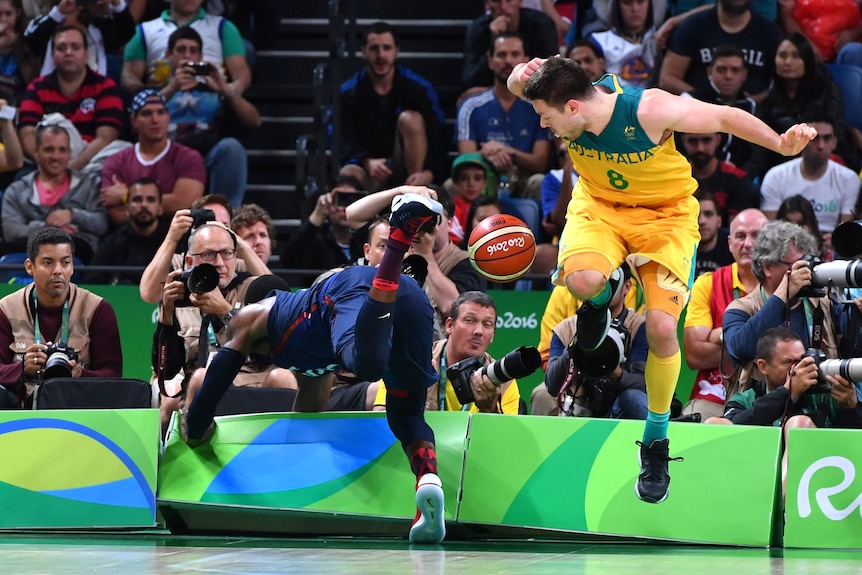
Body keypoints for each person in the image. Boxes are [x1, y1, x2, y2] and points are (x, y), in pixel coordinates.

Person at [508, 56, 816, 504]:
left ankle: (655, 442)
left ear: (573, 107)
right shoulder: (550, 94)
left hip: (664, 217)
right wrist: (523, 72)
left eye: (546, 117)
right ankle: (603, 296)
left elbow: (724, 116)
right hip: (599, 208)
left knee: (660, 328)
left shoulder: (649, 110)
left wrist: (780, 144)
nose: (543, 124)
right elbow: (521, 80)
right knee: (581, 282)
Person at [182, 190, 449, 544]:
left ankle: (399, 239)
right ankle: (428, 481)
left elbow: (215, 379)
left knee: (366, 365)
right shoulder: (314, 367)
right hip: (411, 296)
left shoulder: (251, 315)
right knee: (408, 415)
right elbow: (309, 412)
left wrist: (196, 428)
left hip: (354, 290)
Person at [151, 222, 296, 435]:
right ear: (190, 261)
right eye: (209, 255)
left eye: (226, 253)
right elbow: (168, 370)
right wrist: (166, 317)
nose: (219, 263)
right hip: (202, 384)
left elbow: (272, 348)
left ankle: (295, 450)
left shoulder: (255, 289)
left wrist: (225, 311)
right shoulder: (181, 293)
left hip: (253, 378)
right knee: (201, 377)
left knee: (284, 377)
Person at [712, 326, 862, 498]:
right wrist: (787, 392)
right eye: (788, 363)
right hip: (751, 480)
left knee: (799, 424)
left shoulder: (825, 397)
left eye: (802, 360)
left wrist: (851, 408)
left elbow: (852, 447)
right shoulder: (746, 399)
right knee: (714, 423)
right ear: (763, 367)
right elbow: (728, 432)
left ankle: (783, 504)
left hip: (819, 489)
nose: (798, 369)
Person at [0, 227, 121, 408]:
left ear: (72, 267)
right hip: (22, 409)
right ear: (29, 267)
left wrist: (80, 374)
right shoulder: (6, 309)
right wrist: (22, 368)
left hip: (79, 405)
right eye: (48, 263)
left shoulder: (98, 309)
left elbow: (113, 374)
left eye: (65, 263)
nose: (58, 271)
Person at [348, 184, 488, 338]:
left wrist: (425, 254)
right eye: (418, 217)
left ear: (449, 224)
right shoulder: (396, 244)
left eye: (432, 218)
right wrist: (400, 191)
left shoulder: (465, 261)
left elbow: (453, 307)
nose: (422, 223)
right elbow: (352, 215)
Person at [723, 221, 842, 395]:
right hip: (760, 411)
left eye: (808, 262)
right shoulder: (741, 308)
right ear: (768, 267)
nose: (807, 271)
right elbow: (742, 348)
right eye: (798, 264)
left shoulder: (823, 303)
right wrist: (784, 292)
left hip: (818, 407)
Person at [160, 26, 261, 207]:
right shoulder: (155, 94)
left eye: (193, 51)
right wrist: (172, 88)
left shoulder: (214, 92)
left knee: (231, 147)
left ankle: (226, 218)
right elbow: (136, 119)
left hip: (205, 155)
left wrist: (226, 90)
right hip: (165, 156)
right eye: (180, 50)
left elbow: (254, 120)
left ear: (200, 58)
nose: (187, 56)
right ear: (168, 55)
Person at [373, 291, 522, 414]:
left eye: (487, 324)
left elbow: (504, 440)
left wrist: (489, 409)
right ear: (450, 325)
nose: (478, 331)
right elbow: (380, 414)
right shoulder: (413, 359)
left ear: (493, 335)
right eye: (470, 320)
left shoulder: (503, 379)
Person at [682, 208, 768, 419]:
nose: (747, 243)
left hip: (768, 394)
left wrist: (721, 336)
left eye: (756, 236)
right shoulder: (708, 283)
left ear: (770, 241)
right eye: (740, 236)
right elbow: (694, 354)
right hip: (714, 396)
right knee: (693, 420)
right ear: (729, 243)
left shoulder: (781, 283)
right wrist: (758, 345)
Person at [339, 21, 445, 190]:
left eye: (387, 48)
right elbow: (341, 140)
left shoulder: (418, 88)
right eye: (374, 48)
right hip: (368, 168)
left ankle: (413, 197)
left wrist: (430, 172)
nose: (381, 55)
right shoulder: (348, 92)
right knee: (348, 174)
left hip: (406, 167)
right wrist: (366, 161)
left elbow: (438, 134)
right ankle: (350, 216)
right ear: (363, 52)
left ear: (397, 51)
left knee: (411, 119)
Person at [538, 263, 648, 418]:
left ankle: (650, 441)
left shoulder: (638, 328)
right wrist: (576, 345)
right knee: (541, 394)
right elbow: (551, 384)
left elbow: (644, 384)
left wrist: (617, 374)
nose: (601, 289)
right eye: (596, 282)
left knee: (634, 399)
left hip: (619, 399)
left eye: (608, 282)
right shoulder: (566, 329)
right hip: (578, 395)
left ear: (627, 287)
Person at [457, 32, 552, 201]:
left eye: (515, 54)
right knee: (453, 185)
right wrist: (486, 154)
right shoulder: (471, 106)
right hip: (483, 178)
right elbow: (466, 160)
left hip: (524, 178)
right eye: (501, 55)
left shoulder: (538, 106)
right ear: (490, 61)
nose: (508, 61)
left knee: (541, 181)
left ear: (526, 60)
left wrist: (508, 152)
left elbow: (540, 162)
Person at [17, 24, 125, 172]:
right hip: (46, 161)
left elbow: (106, 137)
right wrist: (48, 164)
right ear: (53, 56)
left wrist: (71, 167)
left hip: (90, 160)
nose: (68, 52)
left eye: (75, 47)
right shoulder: (37, 87)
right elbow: (27, 133)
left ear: (86, 54)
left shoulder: (106, 86)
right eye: (61, 48)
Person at [1, 123, 107, 262]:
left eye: (62, 150)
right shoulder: (17, 189)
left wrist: (72, 214)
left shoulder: (89, 184)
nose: (56, 157)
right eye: (49, 150)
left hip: (77, 255)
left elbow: (102, 223)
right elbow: (11, 231)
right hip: (28, 254)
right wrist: (47, 230)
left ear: (69, 153)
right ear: (36, 152)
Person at [99, 89, 206, 226]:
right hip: (130, 239)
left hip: (179, 238)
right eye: (147, 113)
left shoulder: (189, 158)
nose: (155, 120)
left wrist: (126, 196)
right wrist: (165, 204)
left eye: (160, 112)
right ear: (134, 120)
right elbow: (118, 214)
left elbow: (184, 203)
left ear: (168, 117)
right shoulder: (116, 161)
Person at [138, 194, 270, 304]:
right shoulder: (179, 262)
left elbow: (274, 294)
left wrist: (239, 242)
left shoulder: (237, 264)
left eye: (224, 225)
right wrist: (171, 238)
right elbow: (149, 294)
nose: (216, 231)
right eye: (210, 224)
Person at [753, 33, 850, 178]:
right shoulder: (769, 102)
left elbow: (838, 136)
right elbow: (759, 151)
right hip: (781, 171)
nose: (788, 62)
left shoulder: (827, 91)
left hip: (822, 165)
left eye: (796, 56)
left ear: (808, 60)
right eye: (782, 56)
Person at [121, 0, 251, 97]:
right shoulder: (143, 30)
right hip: (161, 107)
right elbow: (129, 76)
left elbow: (241, 72)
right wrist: (148, 94)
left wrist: (230, 91)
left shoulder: (224, 27)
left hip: (211, 103)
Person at [659, 0, 781, 102]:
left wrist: (754, 101)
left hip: (755, 116)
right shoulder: (692, 27)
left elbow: (782, 85)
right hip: (698, 117)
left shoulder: (770, 33)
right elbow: (667, 78)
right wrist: (706, 101)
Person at [761, 118, 860, 236]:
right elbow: (770, 231)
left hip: (832, 248)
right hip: (786, 244)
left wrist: (835, 243)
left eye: (827, 138)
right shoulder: (776, 176)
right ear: (802, 141)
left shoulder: (849, 179)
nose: (821, 145)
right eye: (815, 139)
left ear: (834, 142)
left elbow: (847, 233)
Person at [682, 44, 757, 171]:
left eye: (735, 70)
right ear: (710, 72)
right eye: (721, 70)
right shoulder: (691, 101)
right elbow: (682, 146)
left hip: (739, 180)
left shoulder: (749, 106)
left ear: (744, 75)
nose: (728, 76)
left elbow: (755, 153)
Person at [85, 177, 171, 284]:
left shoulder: (173, 241)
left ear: (160, 208)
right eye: (137, 200)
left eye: (151, 200)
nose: (144, 205)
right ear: (128, 207)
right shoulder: (112, 243)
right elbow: (92, 282)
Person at [281, 174, 366, 280]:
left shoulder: (367, 237)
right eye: (341, 199)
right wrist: (318, 214)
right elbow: (288, 261)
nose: (345, 208)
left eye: (352, 200)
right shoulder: (318, 238)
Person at [23, 0, 135, 78]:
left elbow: (126, 33)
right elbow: (31, 43)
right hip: (52, 95)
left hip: (94, 95)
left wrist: (116, 3)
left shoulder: (98, 25)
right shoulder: (45, 22)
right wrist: (58, 13)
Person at [462, 0, 557, 90]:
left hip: (531, 89)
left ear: (520, 1)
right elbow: (470, 78)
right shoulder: (477, 29)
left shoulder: (541, 24)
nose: (503, 7)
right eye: (496, 1)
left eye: (509, 0)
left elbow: (550, 71)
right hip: (493, 89)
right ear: (487, 4)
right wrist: (494, 40)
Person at [679, 131, 759, 226]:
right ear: (683, 141)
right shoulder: (675, 178)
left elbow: (736, 229)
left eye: (706, 140)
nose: (700, 148)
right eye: (693, 141)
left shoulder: (737, 179)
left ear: (718, 139)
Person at [586, 0, 658, 89]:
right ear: (616, 6)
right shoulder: (598, 41)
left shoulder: (662, 37)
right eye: (627, 3)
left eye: (640, 2)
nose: (635, 9)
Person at [448, 152, 493, 246]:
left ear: (485, 182)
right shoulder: (453, 208)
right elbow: (453, 244)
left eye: (477, 178)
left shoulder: (492, 207)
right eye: (464, 178)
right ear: (456, 182)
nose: (471, 184)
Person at [0, 0, 40, 104]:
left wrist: (17, 48)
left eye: (8, 14)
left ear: (17, 13)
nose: (3, 19)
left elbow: (31, 79)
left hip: (15, 105)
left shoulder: (26, 42)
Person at [692, 191, 733, 278]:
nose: (701, 221)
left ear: (719, 221)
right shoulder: (680, 245)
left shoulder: (732, 245)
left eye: (708, 214)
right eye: (696, 215)